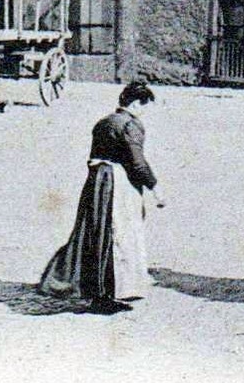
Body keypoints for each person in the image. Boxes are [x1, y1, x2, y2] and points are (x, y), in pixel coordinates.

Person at [38, 82, 162, 312]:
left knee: (93, 232)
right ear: (136, 104)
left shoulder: (103, 122)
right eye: (144, 106)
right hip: (116, 182)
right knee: (116, 233)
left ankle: (92, 287)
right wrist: (155, 187)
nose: (145, 112)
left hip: (96, 180)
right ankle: (110, 292)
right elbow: (137, 162)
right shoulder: (131, 124)